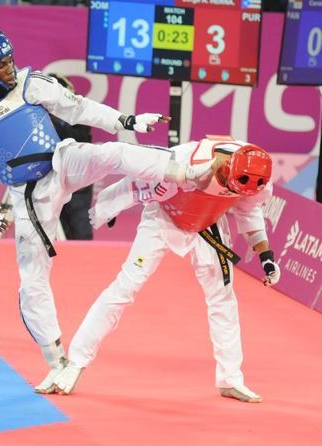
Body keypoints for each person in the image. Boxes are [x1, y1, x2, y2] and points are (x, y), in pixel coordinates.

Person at [0, 28, 213, 391]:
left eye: (10, 59)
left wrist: (125, 121)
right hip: (28, 196)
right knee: (32, 279)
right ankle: (57, 362)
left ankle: (184, 171)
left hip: (62, 160)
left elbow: (78, 106)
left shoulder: (30, 83)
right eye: (1, 64)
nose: (10, 68)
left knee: (111, 153)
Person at [52, 136, 281, 403]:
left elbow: (248, 211)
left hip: (207, 224)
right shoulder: (185, 160)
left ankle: (231, 378)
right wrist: (107, 208)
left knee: (223, 297)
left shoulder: (258, 182)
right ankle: (75, 363)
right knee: (125, 287)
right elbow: (135, 181)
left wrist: (265, 254)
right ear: (226, 169)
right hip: (164, 217)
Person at [48, 73, 93, 240]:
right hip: (52, 180)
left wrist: (55, 120)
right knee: (56, 231)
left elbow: (79, 138)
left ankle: (86, 262)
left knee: (80, 228)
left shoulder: (80, 112)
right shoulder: (39, 117)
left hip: (78, 180)